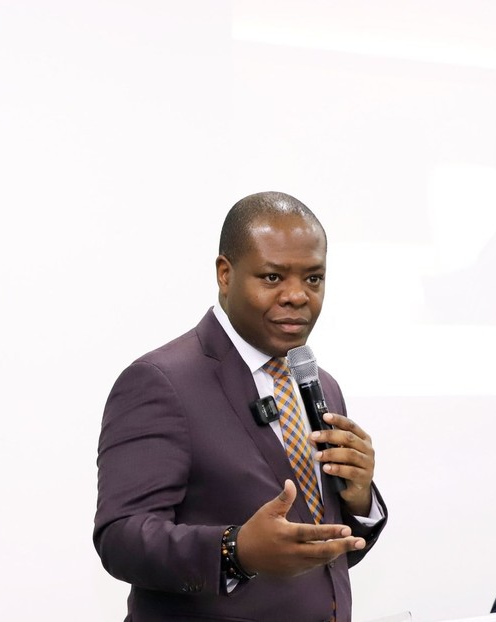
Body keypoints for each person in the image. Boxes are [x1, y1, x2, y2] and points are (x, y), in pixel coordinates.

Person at [94, 192, 387, 621]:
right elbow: (122, 538)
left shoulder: (320, 385)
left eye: (313, 279)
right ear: (225, 274)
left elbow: (319, 557)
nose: (297, 296)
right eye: (272, 277)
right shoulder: (161, 381)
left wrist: (359, 499)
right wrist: (235, 551)